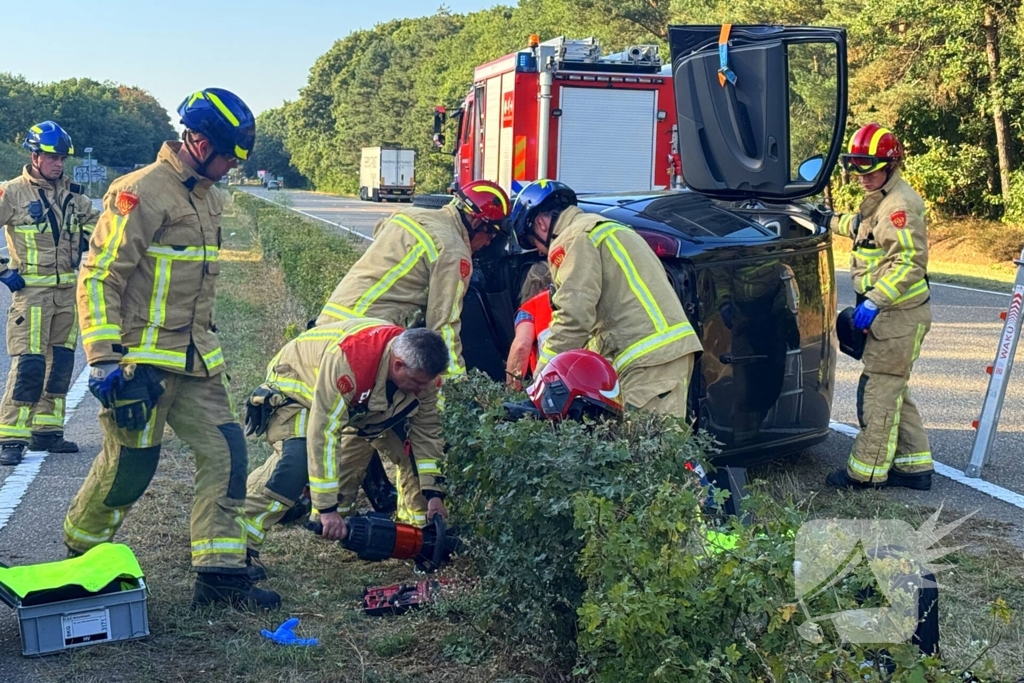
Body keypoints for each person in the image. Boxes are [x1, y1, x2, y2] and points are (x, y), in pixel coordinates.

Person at [62, 88, 281, 610]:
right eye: (228, 156)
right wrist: (103, 358)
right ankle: (79, 564)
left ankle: (220, 577)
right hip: (140, 366)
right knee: (129, 469)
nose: (232, 166)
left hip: (197, 360)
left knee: (227, 454)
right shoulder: (138, 192)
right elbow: (100, 277)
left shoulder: (209, 196)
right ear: (199, 142)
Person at [242, 321, 450, 579]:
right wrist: (326, 509)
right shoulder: (350, 362)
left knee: (410, 453)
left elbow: (427, 434)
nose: (421, 389)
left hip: (355, 405)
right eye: (417, 382)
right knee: (294, 464)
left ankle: (418, 538)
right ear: (398, 365)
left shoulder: (422, 377)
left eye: (426, 384)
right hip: (298, 390)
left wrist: (434, 493)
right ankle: (236, 547)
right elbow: (324, 433)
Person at [508, 179, 702, 417]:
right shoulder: (609, 228)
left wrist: (540, 384)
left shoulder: (571, 238)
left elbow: (574, 317)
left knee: (642, 438)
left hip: (646, 359)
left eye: (533, 243)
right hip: (660, 353)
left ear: (540, 223)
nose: (540, 252)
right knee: (657, 437)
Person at [826, 123, 933, 491]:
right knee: (893, 388)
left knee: (879, 394)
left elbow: (910, 261)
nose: (861, 176)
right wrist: (826, 220)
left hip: (897, 316)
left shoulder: (899, 206)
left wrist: (874, 300)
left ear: (890, 165)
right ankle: (915, 467)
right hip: (894, 316)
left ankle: (866, 473)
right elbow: (862, 227)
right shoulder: (882, 198)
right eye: (855, 167)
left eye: (868, 169)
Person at [314, 180, 510, 377]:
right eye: (492, 234)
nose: (488, 243)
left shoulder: (409, 214)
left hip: (329, 323)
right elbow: (443, 325)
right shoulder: (453, 251)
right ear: (476, 223)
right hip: (363, 338)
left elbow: (380, 234)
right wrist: (456, 382)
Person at [0, 122, 99, 465]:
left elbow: (97, 226)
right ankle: (11, 437)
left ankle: (47, 430)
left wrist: (85, 237)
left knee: (60, 364)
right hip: (31, 295)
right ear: (35, 157)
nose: (59, 164)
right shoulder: (12, 193)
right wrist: (3, 271)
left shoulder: (74, 195)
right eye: (53, 157)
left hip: (67, 293)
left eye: (62, 158)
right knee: (29, 365)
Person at [506, 261, 553, 390]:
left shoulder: (528, 310)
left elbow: (521, 347)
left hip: (551, 381)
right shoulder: (571, 301)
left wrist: (512, 391)